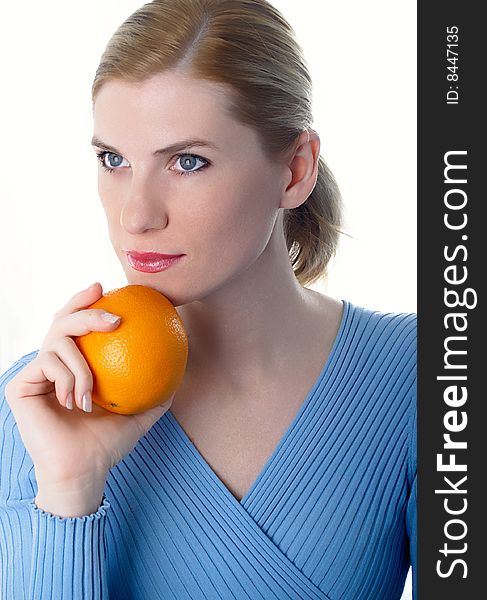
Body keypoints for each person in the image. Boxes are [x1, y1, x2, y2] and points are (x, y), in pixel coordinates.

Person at [0, 0, 416, 598]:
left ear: (295, 170)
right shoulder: (41, 409)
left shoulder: (423, 375)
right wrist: (68, 488)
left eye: (188, 161)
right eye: (113, 160)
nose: (136, 215)